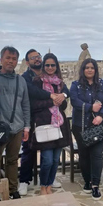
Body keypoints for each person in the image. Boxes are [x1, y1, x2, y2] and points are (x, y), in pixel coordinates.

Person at [19, 49, 65, 196]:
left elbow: (65, 97)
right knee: (29, 151)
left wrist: (62, 96)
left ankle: (48, 181)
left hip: (54, 122)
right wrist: (52, 98)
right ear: (27, 62)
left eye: (38, 56)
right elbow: (33, 94)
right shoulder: (27, 78)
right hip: (33, 121)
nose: (36, 59)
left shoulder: (55, 80)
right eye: (33, 58)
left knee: (52, 158)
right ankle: (24, 181)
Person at [0, 46, 30, 199]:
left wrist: (27, 126)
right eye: (8, 58)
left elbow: (25, 104)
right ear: (1, 59)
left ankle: (13, 189)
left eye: (14, 59)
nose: (11, 61)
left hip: (17, 127)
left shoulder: (21, 80)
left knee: (13, 160)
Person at [70, 58, 103, 200]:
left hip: (99, 125)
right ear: (83, 70)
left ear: (95, 69)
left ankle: (95, 184)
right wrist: (90, 107)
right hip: (80, 126)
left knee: (96, 155)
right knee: (84, 155)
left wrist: (100, 116)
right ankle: (87, 180)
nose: (89, 70)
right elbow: (74, 101)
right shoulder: (76, 85)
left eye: (92, 67)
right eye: (86, 67)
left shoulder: (102, 84)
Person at [29, 53, 70, 195]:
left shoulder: (60, 83)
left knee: (55, 159)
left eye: (53, 65)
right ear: (43, 66)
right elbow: (33, 105)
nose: (50, 67)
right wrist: (51, 101)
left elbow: (63, 107)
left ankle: (49, 185)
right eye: (47, 65)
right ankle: (43, 186)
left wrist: (61, 100)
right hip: (44, 124)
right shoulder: (36, 82)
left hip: (59, 125)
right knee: (46, 160)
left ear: (56, 66)